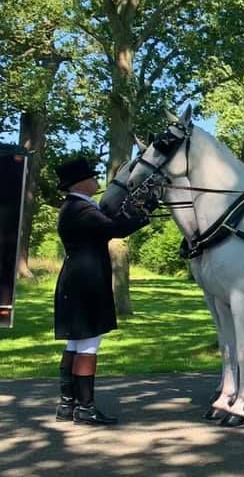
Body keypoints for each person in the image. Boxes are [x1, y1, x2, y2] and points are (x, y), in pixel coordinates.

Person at [53, 157, 149, 425]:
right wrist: (144, 213)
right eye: (92, 177)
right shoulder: (82, 210)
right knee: (88, 346)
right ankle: (86, 408)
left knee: (75, 343)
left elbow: (107, 222)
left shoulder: (75, 207)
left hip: (76, 282)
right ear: (81, 183)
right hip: (86, 284)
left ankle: (67, 404)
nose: (96, 181)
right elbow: (113, 228)